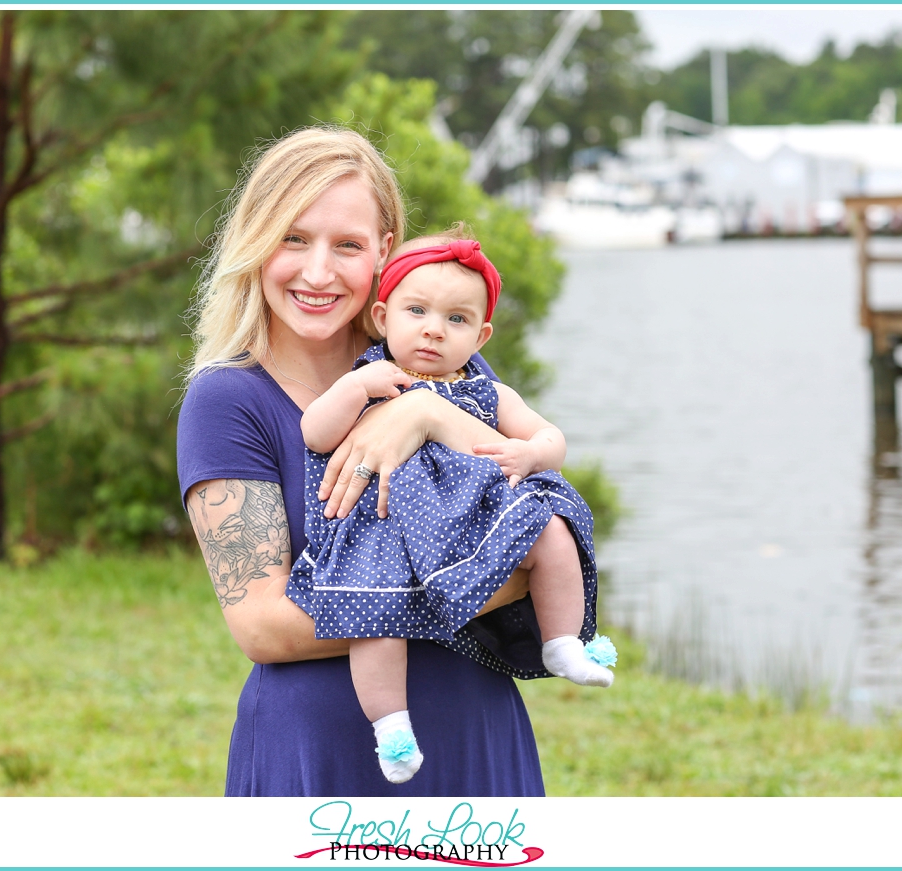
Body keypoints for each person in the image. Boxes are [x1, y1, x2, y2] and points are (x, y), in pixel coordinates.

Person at [177, 126, 597, 796]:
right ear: (255, 244)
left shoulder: (436, 354)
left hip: (476, 739)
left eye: (346, 244)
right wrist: (477, 586)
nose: (318, 272)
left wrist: (424, 414)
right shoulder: (228, 401)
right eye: (293, 238)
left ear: (384, 251)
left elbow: (542, 511)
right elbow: (265, 625)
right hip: (319, 758)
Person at [287, 228, 615, 784]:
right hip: (381, 530)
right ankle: (391, 728)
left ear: (481, 335)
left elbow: (552, 439)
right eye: (417, 311)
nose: (434, 330)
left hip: (465, 530)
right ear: (384, 315)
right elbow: (315, 434)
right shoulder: (371, 379)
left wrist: (529, 451)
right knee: (375, 618)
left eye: (457, 320)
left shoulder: (487, 392)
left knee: (553, 529)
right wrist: (355, 389)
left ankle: (563, 642)